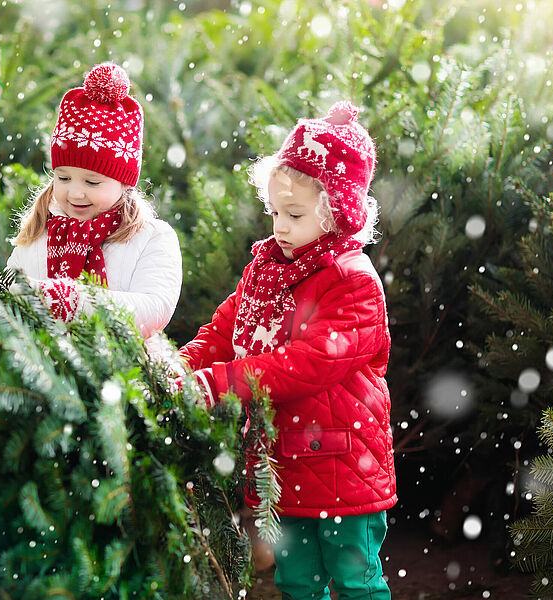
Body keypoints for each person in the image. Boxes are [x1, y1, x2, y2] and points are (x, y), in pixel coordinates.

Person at [179, 101, 396, 599]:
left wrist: (219, 383)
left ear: (337, 212)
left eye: (294, 214)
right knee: (296, 579)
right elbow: (226, 328)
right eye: (274, 211)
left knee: (355, 577)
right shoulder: (269, 270)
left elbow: (307, 364)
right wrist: (184, 363)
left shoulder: (352, 282)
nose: (279, 225)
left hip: (345, 465)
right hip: (284, 465)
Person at [0, 62, 182, 338]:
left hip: (125, 375)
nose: (75, 192)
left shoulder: (152, 238)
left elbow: (153, 309)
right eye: (63, 178)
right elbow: (13, 296)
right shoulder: (41, 232)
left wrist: (68, 301)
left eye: (92, 182)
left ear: (124, 182)